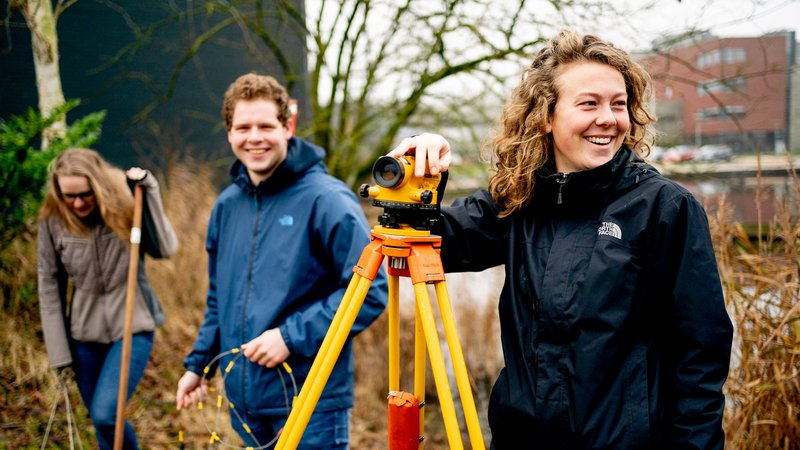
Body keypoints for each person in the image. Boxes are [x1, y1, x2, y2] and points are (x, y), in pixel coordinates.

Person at [389, 30, 733, 449]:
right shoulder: (518, 198)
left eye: (619, 104)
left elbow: (700, 355)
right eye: (589, 103)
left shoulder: (664, 208)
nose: (608, 117)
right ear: (546, 116)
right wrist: (420, 179)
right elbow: (419, 242)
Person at [175, 73, 387, 448]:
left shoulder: (328, 200)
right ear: (229, 133)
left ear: (287, 126)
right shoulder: (226, 206)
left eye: (265, 125)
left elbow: (370, 292)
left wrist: (290, 337)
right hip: (245, 403)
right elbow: (217, 300)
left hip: (311, 403)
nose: (254, 137)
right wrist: (199, 365)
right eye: (243, 127)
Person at [37, 148, 178, 449]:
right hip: (84, 335)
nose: (77, 203)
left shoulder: (128, 203)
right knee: (102, 424)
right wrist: (59, 354)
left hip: (132, 325)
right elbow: (49, 286)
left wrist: (149, 191)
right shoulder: (53, 219)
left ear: (98, 185)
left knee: (105, 416)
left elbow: (165, 248)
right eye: (68, 196)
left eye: (85, 194)